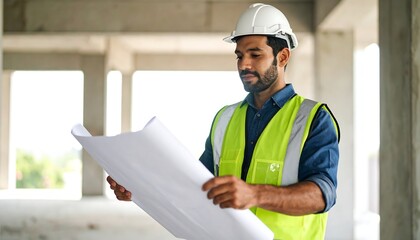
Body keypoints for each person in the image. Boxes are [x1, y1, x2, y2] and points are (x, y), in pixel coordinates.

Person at [107, 3, 340, 240]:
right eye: (239, 55)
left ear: (282, 56)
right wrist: (139, 188)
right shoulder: (225, 118)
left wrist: (255, 195)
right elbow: (195, 187)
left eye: (255, 55)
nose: (243, 64)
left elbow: (322, 195)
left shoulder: (313, 118)